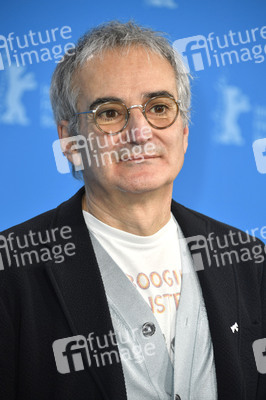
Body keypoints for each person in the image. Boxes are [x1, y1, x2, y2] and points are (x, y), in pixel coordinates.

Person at [0, 21, 265, 400]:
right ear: (70, 142)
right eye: (109, 113)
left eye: (159, 107)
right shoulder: (10, 269)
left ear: (184, 131)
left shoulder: (248, 262)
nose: (140, 131)